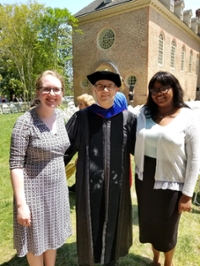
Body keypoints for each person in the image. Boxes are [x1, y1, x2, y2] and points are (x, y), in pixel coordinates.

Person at [64, 70, 137, 266]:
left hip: (116, 185)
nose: (104, 90)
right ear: (94, 90)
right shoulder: (81, 118)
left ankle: (111, 261)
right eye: (100, 86)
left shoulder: (128, 119)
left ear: (116, 89)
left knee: (114, 223)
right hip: (88, 187)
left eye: (109, 86)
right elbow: (64, 151)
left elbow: (141, 151)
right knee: (90, 223)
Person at [134, 71, 200, 266]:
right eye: (154, 90)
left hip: (172, 181)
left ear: (174, 88)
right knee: (151, 224)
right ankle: (155, 259)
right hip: (145, 179)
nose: (159, 93)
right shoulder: (144, 113)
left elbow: (195, 158)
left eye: (164, 88)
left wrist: (187, 194)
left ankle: (168, 263)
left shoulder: (188, 116)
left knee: (168, 228)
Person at [9, 70, 72, 266]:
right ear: (38, 92)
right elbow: (16, 164)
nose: (52, 94)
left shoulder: (60, 118)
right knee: (36, 240)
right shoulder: (25, 123)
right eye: (46, 89)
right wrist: (21, 205)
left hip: (57, 190)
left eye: (56, 89)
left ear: (62, 93)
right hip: (33, 194)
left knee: (52, 235)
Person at [68, 93, 96, 193]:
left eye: (81, 104)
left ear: (87, 105)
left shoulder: (92, 118)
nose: (78, 106)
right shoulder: (79, 117)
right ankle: (78, 188)